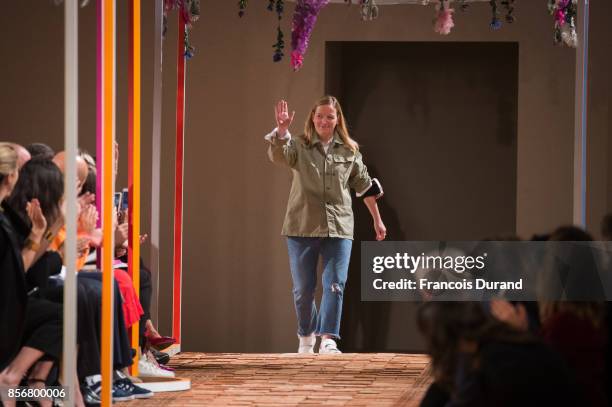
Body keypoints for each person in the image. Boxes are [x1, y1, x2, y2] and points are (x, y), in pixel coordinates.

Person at [265, 96, 386, 354]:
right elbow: (278, 156)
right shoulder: (298, 145)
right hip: (302, 224)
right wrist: (283, 130)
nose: (324, 121)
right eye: (319, 116)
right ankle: (306, 335)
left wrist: (377, 219)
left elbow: (365, 187)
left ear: (337, 120)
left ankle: (328, 338)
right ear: (312, 118)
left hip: (339, 225)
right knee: (303, 289)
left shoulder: (350, 151)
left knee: (335, 283)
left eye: (330, 116)